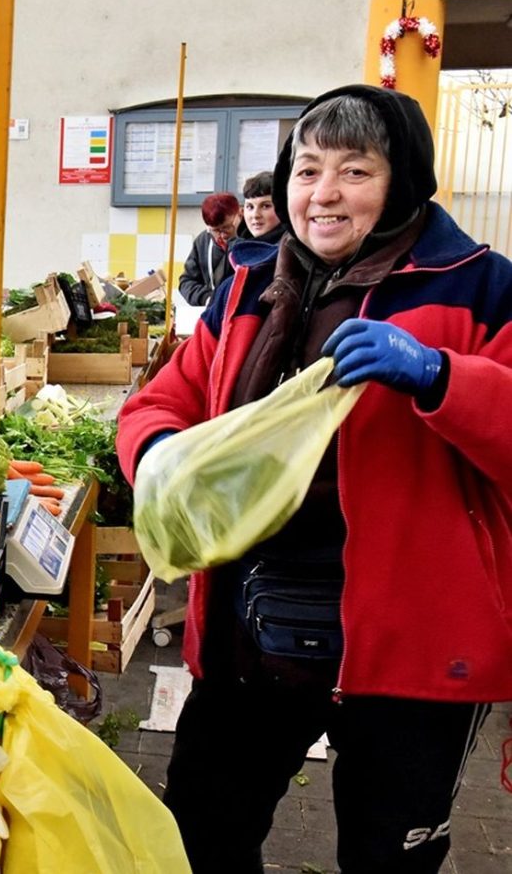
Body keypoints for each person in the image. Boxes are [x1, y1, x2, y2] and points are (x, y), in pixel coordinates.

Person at [116, 85, 512, 873]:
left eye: (355, 172)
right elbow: (167, 396)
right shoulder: (253, 287)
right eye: (306, 170)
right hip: (251, 625)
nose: (323, 194)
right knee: (203, 826)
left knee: (387, 853)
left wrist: (440, 378)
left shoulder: (480, 286)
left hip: (410, 641)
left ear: (402, 181)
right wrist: (157, 449)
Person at [177, 192, 241, 306]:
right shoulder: (202, 241)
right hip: (213, 308)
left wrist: (234, 239)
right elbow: (186, 281)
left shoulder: (252, 238)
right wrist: (206, 298)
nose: (222, 235)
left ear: (239, 215)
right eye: (216, 230)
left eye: (227, 227)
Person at [239, 171, 284, 243]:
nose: (255, 215)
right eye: (250, 207)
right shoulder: (236, 248)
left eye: (266, 206)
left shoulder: (292, 250)